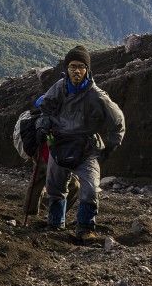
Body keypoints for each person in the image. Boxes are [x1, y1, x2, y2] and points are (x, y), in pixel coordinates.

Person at [36, 45, 125, 243]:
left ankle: (85, 228)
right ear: (66, 69)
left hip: (87, 148)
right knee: (55, 187)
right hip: (59, 144)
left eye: (82, 67)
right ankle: (55, 224)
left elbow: (117, 121)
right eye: (73, 66)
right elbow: (45, 110)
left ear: (88, 70)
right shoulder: (58, 88)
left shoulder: (97, 96)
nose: (77, 71)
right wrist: (43, 126)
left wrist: (111, 146)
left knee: (91, 189)